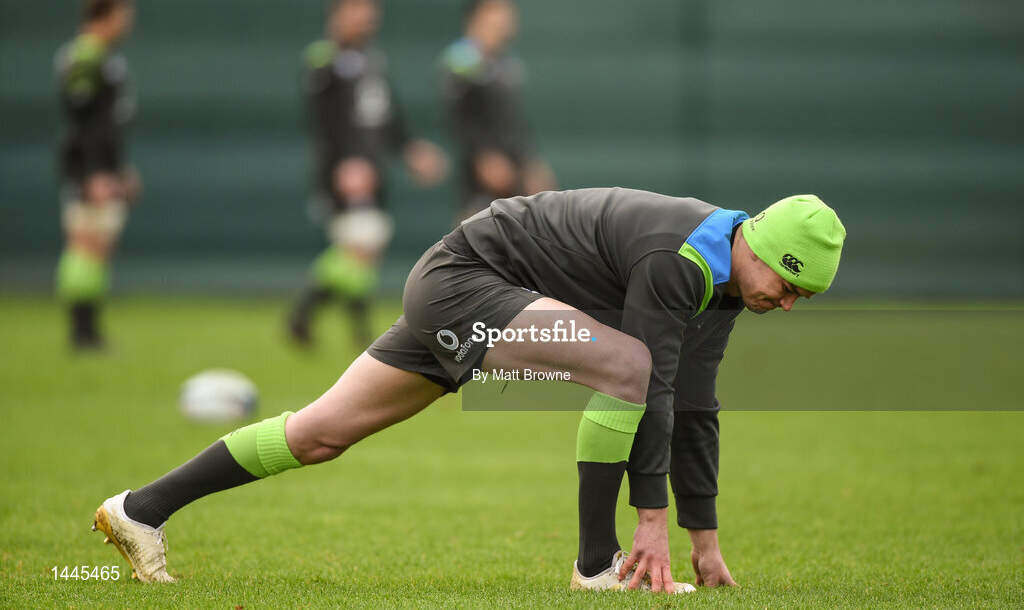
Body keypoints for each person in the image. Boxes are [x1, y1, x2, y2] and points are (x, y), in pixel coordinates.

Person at [93, 189, 845, 592]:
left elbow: (696, 403)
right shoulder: (681, 259)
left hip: (471, 288)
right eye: (789, 284)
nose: (786, 303)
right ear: (769, 249)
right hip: (466, 284)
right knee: (630, 367)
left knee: (321, 431)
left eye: (801, 299)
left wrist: (703, 540)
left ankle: (140, 508)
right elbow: (651, 386)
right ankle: (595, 564)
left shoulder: (720, 279)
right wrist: (652, 522)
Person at [287, 0, 446, 347]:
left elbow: (387, 118)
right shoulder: (322, 59)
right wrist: (344, 164)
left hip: (374, 170)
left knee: (364, 250)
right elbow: (322, 123)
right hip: (344, 172)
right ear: (337, 13)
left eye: (370, 12)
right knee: (360, 243)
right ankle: (310, 316)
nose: (366, 19)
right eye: (357, 11)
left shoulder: (373, 60)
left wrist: (410, 150)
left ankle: (328, 324)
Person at [53, 0, 139, 350]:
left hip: (103, 169)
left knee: (98, 245)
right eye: (123, 13)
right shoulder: (85, 57)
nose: (128, 22)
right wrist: (93, 175)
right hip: (88, 172)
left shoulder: (104, 58)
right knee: (85, 245)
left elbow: (106, 126)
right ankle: (81, 332)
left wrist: (119, 171)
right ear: (105, 15)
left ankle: (88, 331)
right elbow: (83, 122)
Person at [440, 0, 555, 221]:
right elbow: (459, 117)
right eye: (495, 13)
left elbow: (514, 121)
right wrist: (483, 156)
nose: (504, 22)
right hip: (480, 175)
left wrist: (530, 162)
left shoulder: (508, 64)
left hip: (515, 170)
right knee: (476, 236)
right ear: (475, 19)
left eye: (507, 15)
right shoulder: (462, 59)